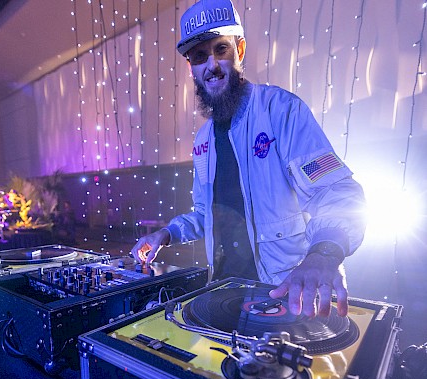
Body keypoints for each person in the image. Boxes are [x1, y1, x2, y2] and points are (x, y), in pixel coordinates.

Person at [131, 0, 366, 319]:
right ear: (191, 68)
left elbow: (335, 192)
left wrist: (323, 254)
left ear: (239, 50)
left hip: (284, 293)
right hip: (222, 292)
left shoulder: (282, 110)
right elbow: (205, 213)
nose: (211, 65)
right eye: (200, 56)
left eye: (221, 49)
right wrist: (167, 233)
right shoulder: (202, 141)